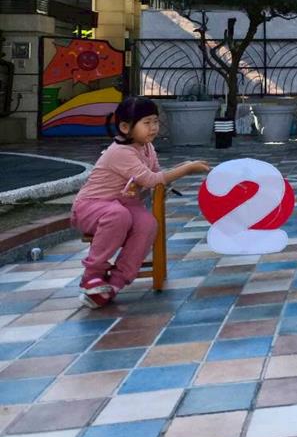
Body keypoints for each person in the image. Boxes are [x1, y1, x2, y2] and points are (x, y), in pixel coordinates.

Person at [72, 97, 210, 309]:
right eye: (147, 123)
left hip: (126, 205)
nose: (153, 127)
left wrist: (182, 167)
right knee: (118, 215)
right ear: (125, 127)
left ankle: (116, 281)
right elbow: (151, 180)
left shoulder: (147, 147)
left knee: (148, 224)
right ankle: (92, 275)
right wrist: (187, 169)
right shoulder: (120, 152)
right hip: (92, 206)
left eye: (155, 121)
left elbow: (157, 174)